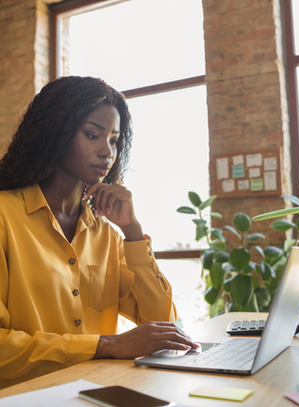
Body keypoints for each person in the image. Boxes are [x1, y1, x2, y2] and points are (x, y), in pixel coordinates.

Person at [0, 76, 199, 389]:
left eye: (115, 140)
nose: (108, 151)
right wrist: (106, 345)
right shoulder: (3, 216)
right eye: (93, 135)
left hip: (96, 391)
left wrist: (133, 232)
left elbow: (160, 323)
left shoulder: (107, 234)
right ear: (54, 132)